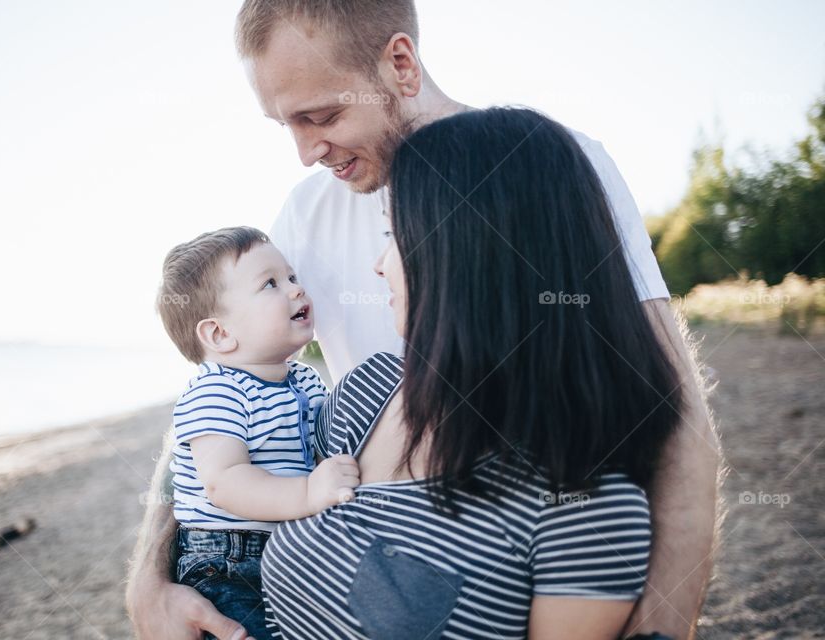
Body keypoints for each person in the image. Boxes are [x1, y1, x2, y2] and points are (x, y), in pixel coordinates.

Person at [126, 2, 721, 638]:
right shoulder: (306, 215)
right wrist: (151, 577)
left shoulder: (548, 169)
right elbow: (226, 388)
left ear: (401, 64)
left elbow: (674, 418)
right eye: (284, 125)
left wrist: (659, 629)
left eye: (321, 116)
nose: (305, 152)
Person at [261, 105, 682, 639]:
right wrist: (166, 581)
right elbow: (228, 451)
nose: (378, 264)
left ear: (469, 255)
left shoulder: (586, 509)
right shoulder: (367, 392)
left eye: (395, 235)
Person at [155, 227, 360, 639]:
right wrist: (309, 492)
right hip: (228, 560)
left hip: (290, 547)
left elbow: (323, 446)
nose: (296, 289)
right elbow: (225, 482)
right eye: (270, 284)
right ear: (219, 334)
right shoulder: (217, 390)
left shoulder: (304, 379)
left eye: (292, 277)